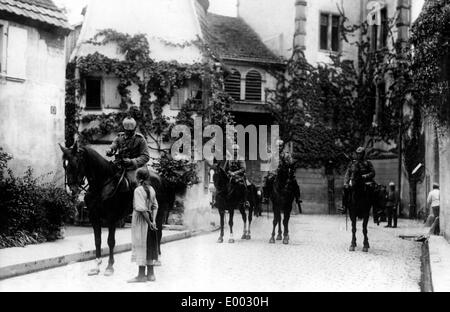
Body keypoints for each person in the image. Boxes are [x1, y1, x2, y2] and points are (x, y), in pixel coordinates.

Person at [128, 168, 159, 283]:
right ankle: (151, 274)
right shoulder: (152, 189)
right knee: (149, 245)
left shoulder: (138, 190)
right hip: (150, 220)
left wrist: (149, 222)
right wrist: (153, 220)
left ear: (138, 178)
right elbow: (155, 206)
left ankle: (141, 275)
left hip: (142, 221)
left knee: (140, 244)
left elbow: (141, 209)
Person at [106, 117, 150, 189]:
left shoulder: (140, 139)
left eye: (131, 131)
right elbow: (114, 145)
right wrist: (110, 150)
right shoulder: (120, 137)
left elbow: (146, 157)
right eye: (127, 131)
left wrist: (132, 161)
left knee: (134, 183)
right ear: (124, 129)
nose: (129, 133)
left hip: (135, 168)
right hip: (120, 165)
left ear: (135, 128)